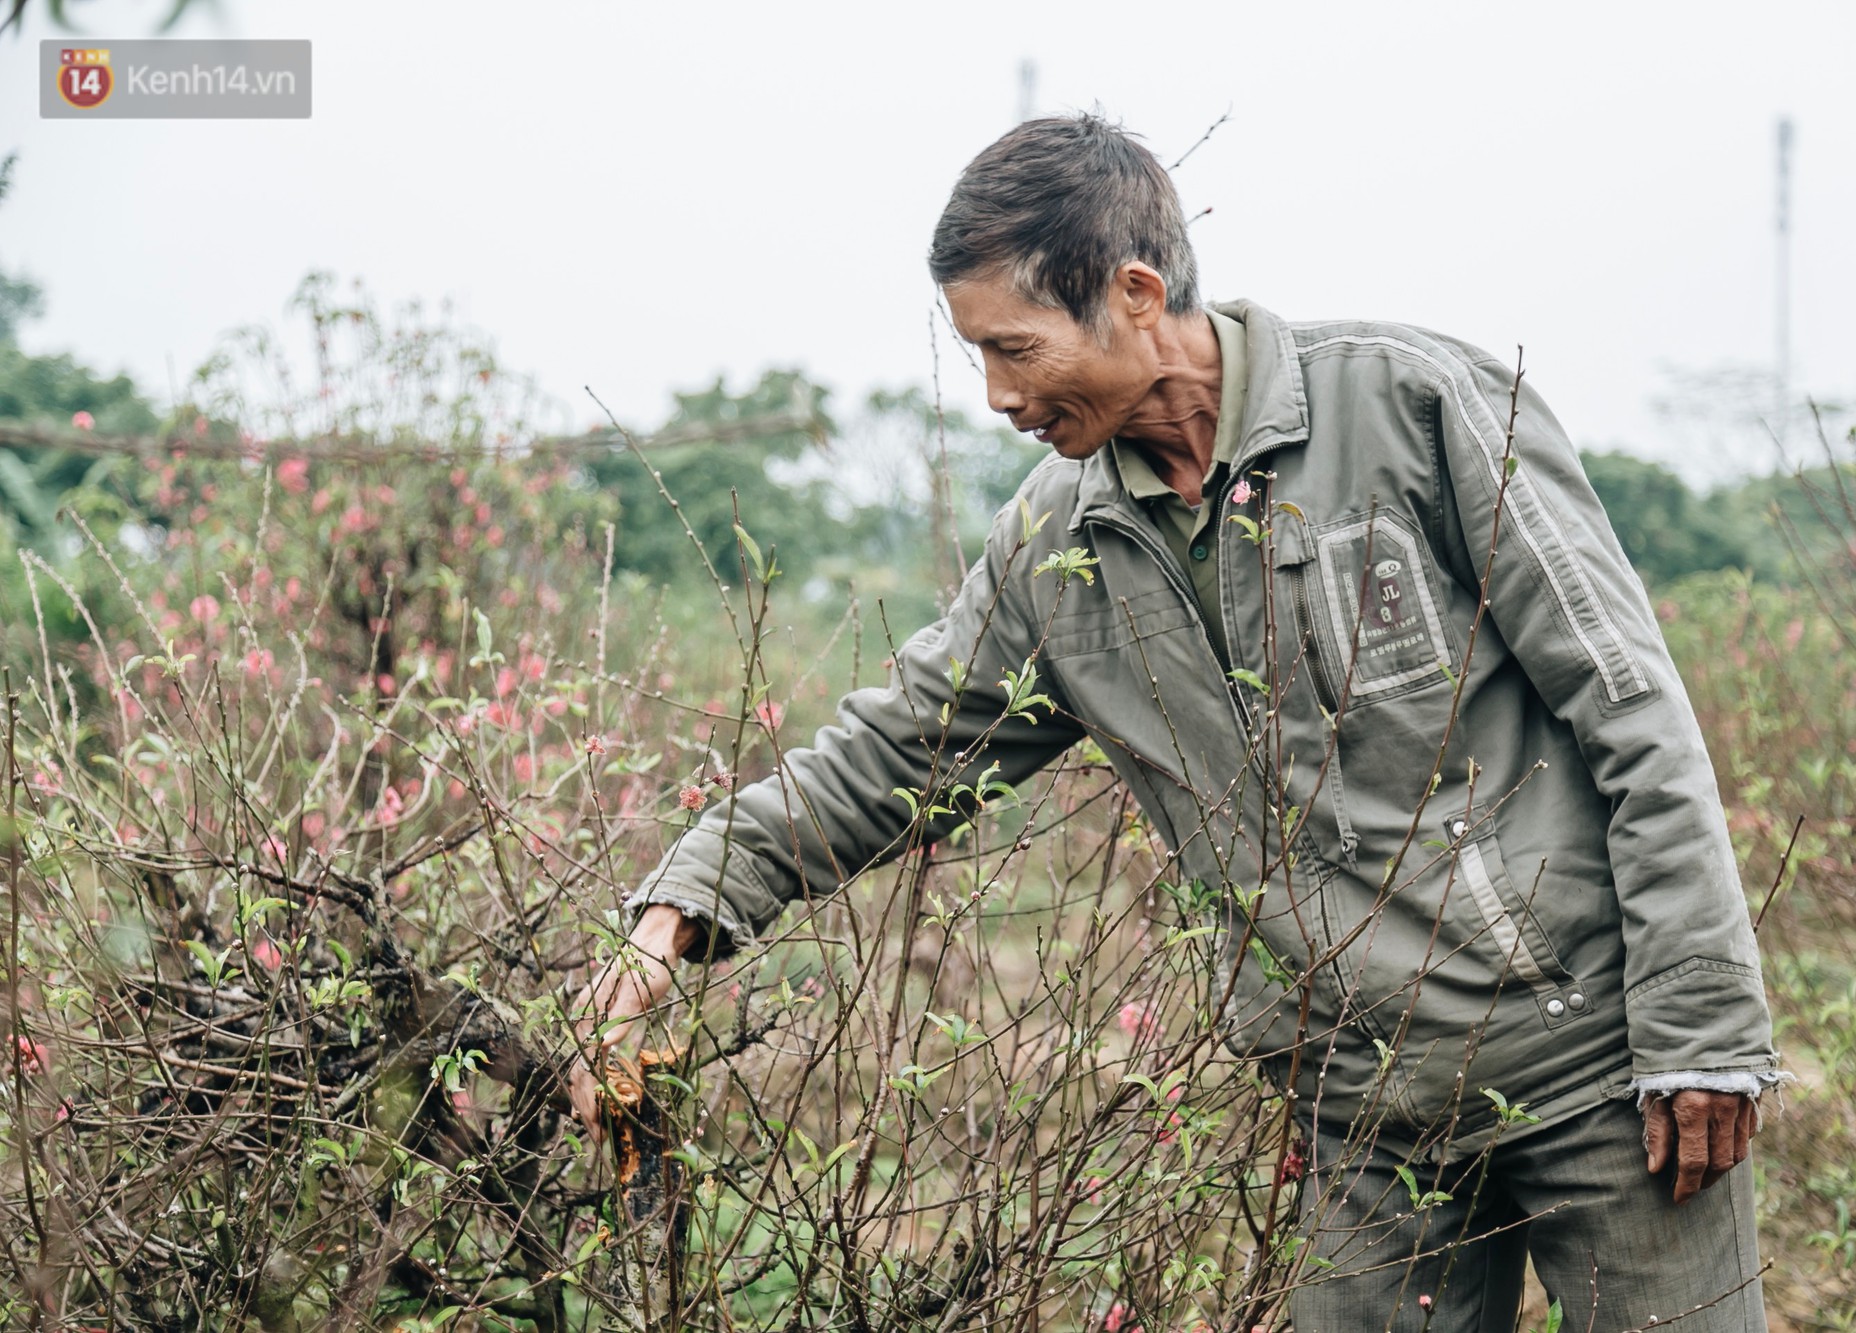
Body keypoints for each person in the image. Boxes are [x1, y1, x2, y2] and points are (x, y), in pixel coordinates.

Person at [568, 112, 1788, 1331]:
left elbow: (1630, 711)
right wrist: (676, 910)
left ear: (1136, 292)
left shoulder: (1415, 403)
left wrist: (1702, 1033)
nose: (994, 395)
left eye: (1015, 349)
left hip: (1598, 1075)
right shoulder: (1057, 543)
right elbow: (892, 754)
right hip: (1358, 1118)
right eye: (977, 355)